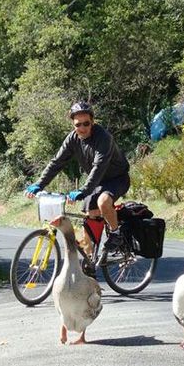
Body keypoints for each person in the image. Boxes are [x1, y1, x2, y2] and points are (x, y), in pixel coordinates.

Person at [24, 101, 130, 252]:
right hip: (96, 182)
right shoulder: (72, 139)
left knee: (103, 202)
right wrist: (39, 184)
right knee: (89, 214)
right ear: (73, 125)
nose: (82, 128)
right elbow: (57, 162)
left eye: (86, 124)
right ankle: (90, 261)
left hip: (117, 178)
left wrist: (84, 190)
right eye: (78, 124)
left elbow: (98, 167)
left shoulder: (104, 138)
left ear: (92, 122)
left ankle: (116, 233)